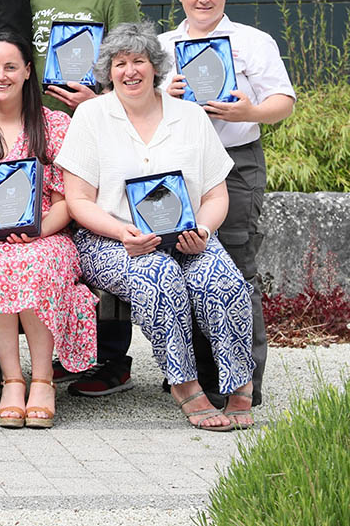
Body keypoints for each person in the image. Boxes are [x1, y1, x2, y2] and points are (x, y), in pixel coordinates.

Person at [57, 22, 255, 431]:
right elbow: (77, 200)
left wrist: (203, 229)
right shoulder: (92, 115)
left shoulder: (190, 116)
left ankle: (240, 385)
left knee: (222, 278)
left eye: (139, 61)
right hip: (113, 240)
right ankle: (186, 386)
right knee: (158, 274)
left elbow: (217, 195)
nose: (130, 71)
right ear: (108, 70)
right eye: (120, 63)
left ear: (156, 67)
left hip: (190, 237)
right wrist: (122, 233)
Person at [159, 0, 295, 407]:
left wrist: (249, 111)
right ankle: (196, 375)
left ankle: (244, 382)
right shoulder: (160, 46)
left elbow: (284, 101)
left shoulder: (253, 40)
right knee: (185, 263)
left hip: (236, 159)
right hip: (176, 165)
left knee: (237, 265)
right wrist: (167, 96)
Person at [0, 32, 97, 429]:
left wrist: (39, 230)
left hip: (47, 232)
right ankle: (12, 378)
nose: (2, 75)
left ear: (28, 71)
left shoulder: (55, 125)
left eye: (11, 67)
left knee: (39, 261)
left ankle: (44, 380)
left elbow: (69, 197)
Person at [28, 0, 142, 398]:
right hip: (41, 137)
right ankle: (58, 353)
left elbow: (137, 65)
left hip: (96, 135)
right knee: (55, 243)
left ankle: (112, 359)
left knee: (102, 236)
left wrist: (102, 100)